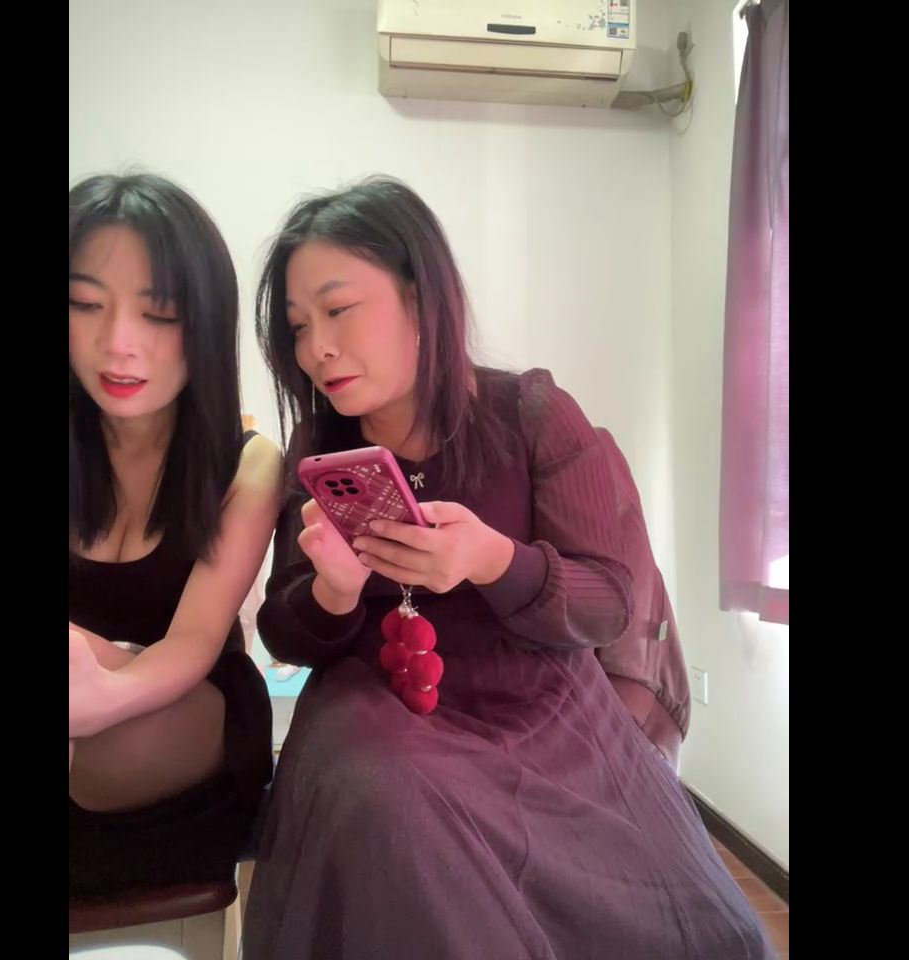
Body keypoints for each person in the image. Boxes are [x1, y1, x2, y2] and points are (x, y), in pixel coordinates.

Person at [244, 175, 776, 959]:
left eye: (339, 309)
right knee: (398, 815)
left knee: (710, 930)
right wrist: (333, 592)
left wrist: (493, 559)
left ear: (422, 300)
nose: (315, 348)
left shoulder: (531, 413)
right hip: (382, 709)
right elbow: (283, 633)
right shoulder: (320, 452)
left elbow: (609, 603)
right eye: (297, 327)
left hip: (543, 709)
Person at [68, 172, 280, 897]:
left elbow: (193, 641)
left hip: (188, 715)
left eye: (158, 313)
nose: (117, 343)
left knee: (103, 735)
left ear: (205, 322)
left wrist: (102, 697)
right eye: (84, 304)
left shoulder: (248, 464)